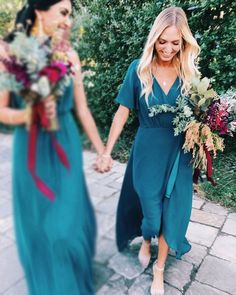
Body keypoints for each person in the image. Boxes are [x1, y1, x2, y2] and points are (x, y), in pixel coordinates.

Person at [0, 1, 110, 294]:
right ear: (39, 11)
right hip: (31, 149)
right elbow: (1, 110)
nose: (68, 21)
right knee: (38, 225)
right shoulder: (13, 54)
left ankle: (72, 274)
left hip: (65, 144)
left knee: (66, 227)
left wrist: (103, 150)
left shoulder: (70, 55)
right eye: (63, 12)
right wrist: (28, 113)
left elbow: (82, 109)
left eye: (70, 14)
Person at [96, 6, 200, 295]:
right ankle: (146, 238)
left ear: (184, 43)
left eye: (175, 43)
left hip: (180, 151)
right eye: (162, 41)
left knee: (172, 213)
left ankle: (159, 269)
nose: (168, 49)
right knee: (151, 213)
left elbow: (200, 114)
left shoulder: (190, 73)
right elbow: (122, 112)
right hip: (147, 150)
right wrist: (107, 151)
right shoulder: (138, 69)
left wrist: (207, 129)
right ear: (154, 38)